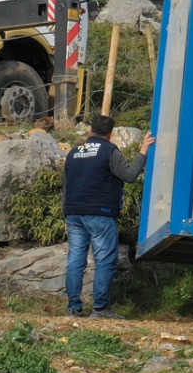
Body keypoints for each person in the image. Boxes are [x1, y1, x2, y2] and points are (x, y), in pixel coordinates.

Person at [63, 112, 151, 317]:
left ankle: (73, 308)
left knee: (76, 259)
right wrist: (143, 151)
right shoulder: (109, 151)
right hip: (100, 214)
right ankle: (100, 309)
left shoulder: (74, 153)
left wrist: (67, 212)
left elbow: (65, 186)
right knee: (104, 260)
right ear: (110, 134)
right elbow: (129, 175)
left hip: (73, 212)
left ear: (90, 130)